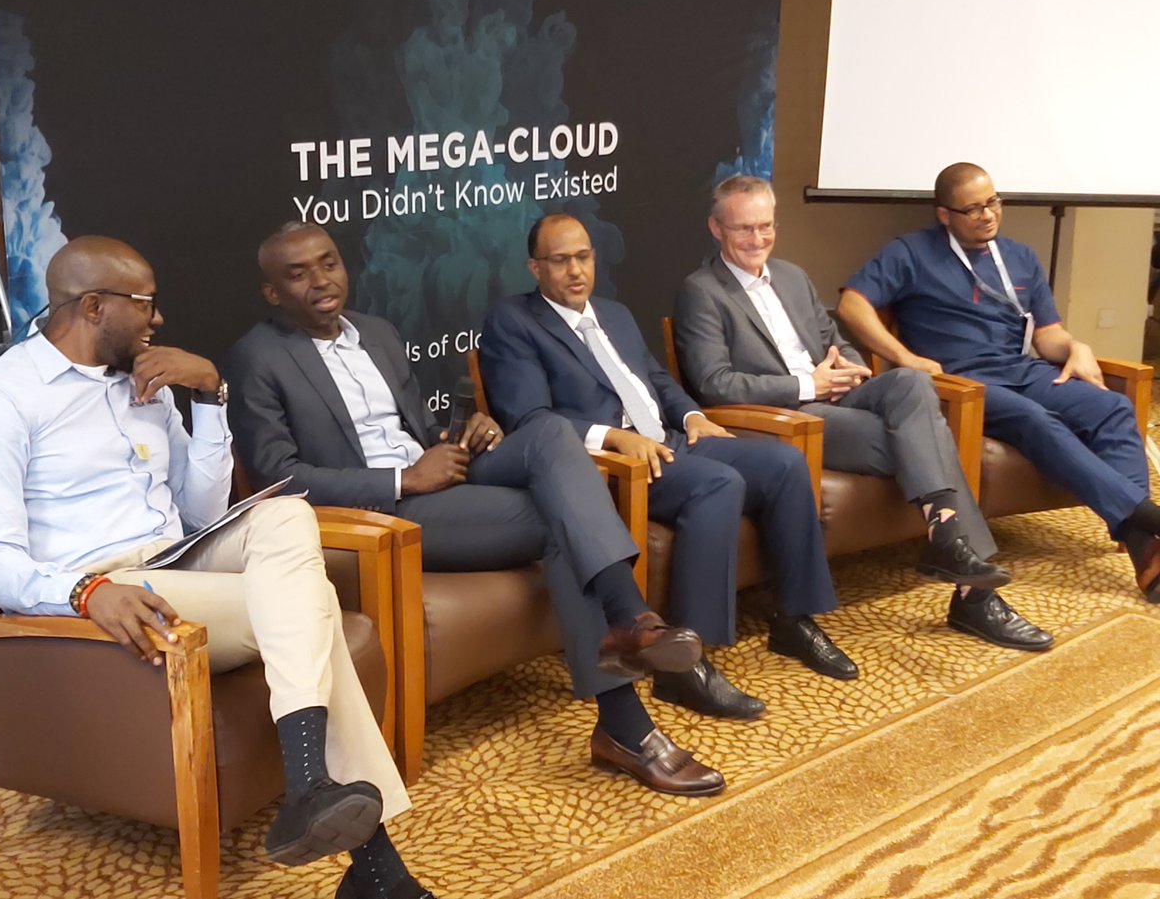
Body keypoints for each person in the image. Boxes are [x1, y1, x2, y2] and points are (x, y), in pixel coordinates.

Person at [0, 236, 433, 899]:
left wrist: (210, 397)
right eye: (145, 303)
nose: (157, 319)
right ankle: (373, 865)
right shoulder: (0, 399)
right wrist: (85, 590)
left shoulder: (146, 383)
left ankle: (314, 789)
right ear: (93, 306)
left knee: (284, 515)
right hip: (105, 588)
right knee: (315, 608)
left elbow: (202, 509)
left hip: (176, 559)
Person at [225, 222, 724, 798]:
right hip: (385, 513)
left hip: (439, 478)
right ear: (272, 292)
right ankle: (627, 702)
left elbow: (418, 430)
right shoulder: (257, 357)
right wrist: (403, 479)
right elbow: (279, 479)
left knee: (550, 435)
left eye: (328, 263)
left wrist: (467, 432)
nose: (320, 280)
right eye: (298, 274)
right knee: (564, 522)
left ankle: (630, 635)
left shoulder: (376, 333)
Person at [480, 212, 860, 706]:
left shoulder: (614, 313)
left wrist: (693, 415)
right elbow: (529, 419)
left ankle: (793, 619)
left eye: (584, 257)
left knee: (784, 465)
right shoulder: (514, 322)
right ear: (535, 268)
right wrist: (615, 438)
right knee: (719, 483)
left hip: (670, 439)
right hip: (606, 465)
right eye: (560, 260)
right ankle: (685, 662)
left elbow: (657, 381)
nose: (575, 270)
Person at [674, 175, 1052, 652]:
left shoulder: (791, 276)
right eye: (743, 228)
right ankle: (972, 591)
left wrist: (849, 367)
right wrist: (809, 385)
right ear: (716, 229)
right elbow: (715, 383)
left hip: (836, 396)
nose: (757, 239)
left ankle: (947, 541)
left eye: (765, 226)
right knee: (930, 440)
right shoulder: (702, 291)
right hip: (785, 418)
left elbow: (836, 341)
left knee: (911, 381)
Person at [838, 162, 1160, 603]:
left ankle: (1143, 544)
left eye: (993, 202)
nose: (987, 215)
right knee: (1035, 419)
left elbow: (1047, 335)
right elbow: (852, 305)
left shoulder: (1020, 256)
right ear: (944, 214)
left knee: (1114, 408)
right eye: (972, 209)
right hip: (962, 384)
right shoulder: (910, 253)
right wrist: (905, 358)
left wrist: (1075, 347)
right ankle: (1148, 518)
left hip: (1022, 370)